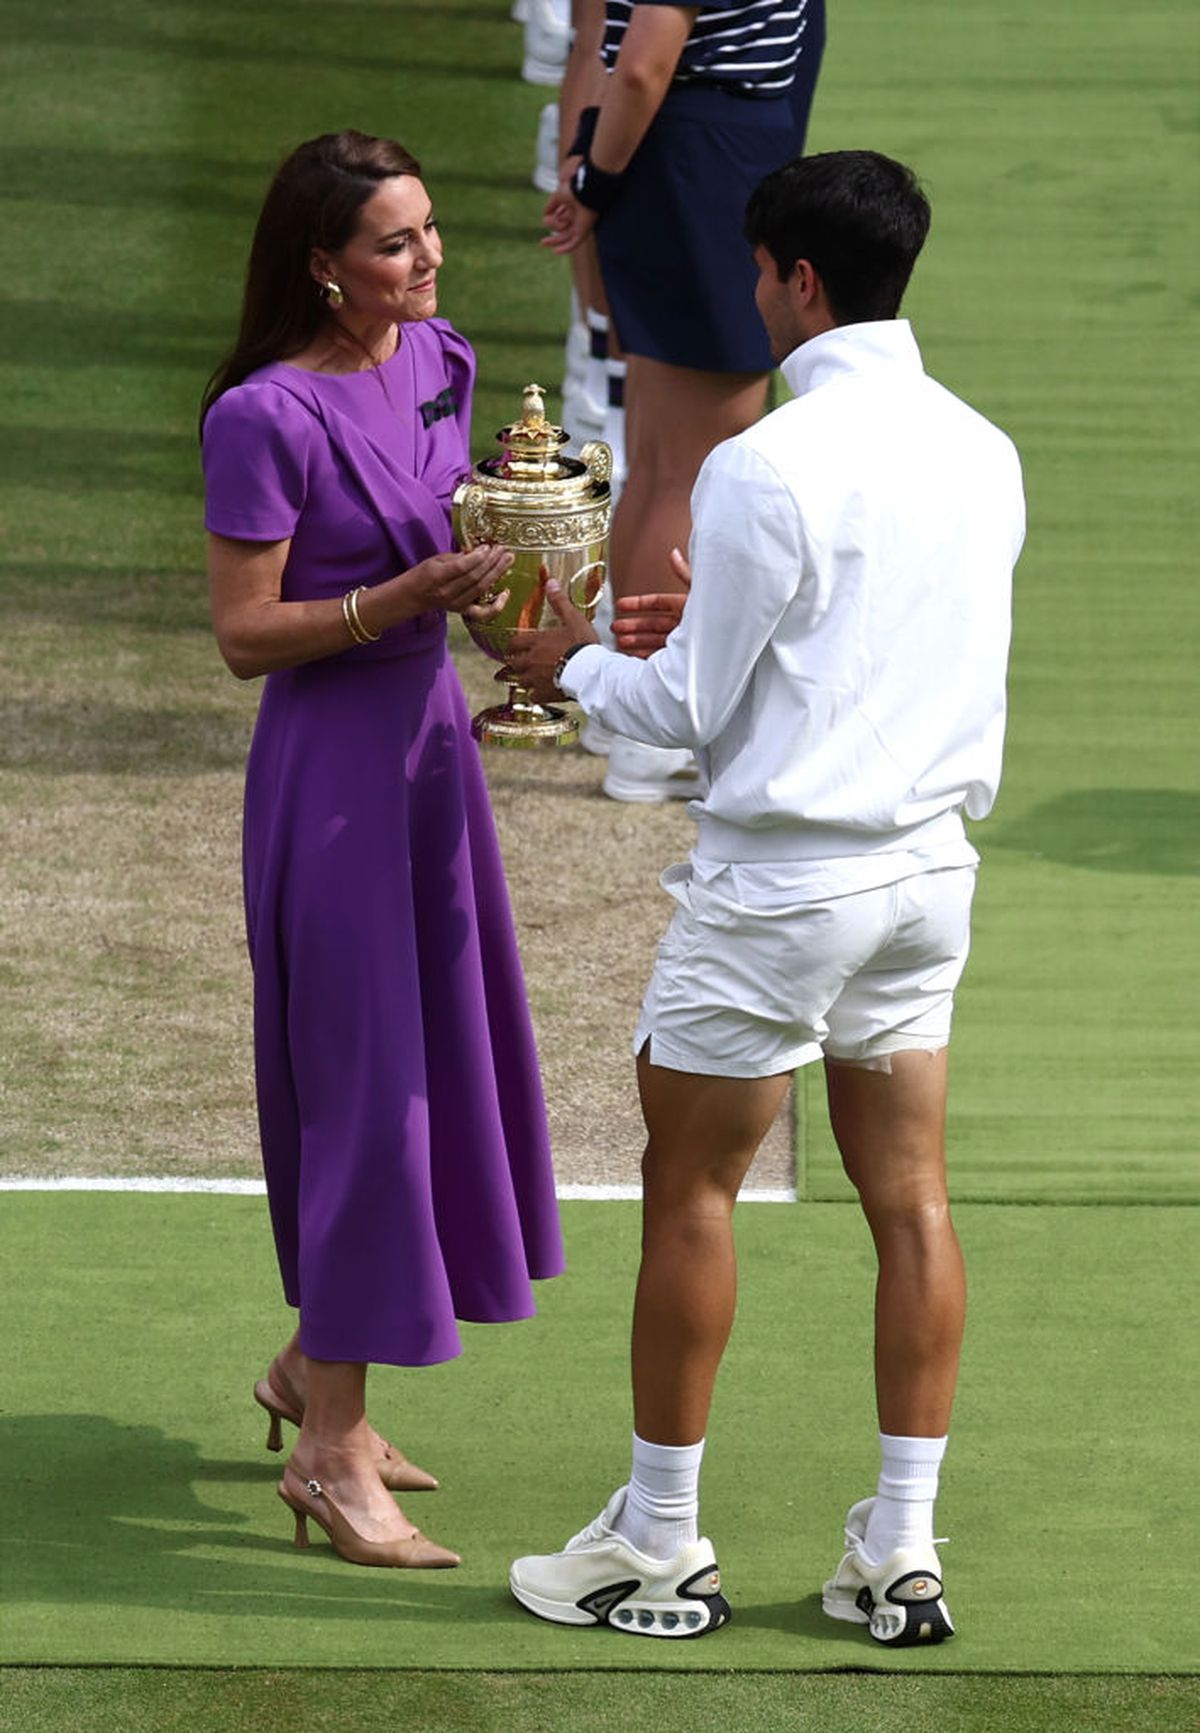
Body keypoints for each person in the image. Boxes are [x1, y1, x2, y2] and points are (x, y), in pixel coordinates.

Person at [505, 150, 1025, 1642]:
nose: (751, 294)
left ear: (798, 279)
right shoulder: (984, 449)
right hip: (926, 885)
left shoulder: (763, 464)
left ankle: (659, 1543)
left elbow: (683, 713)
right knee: (913, 1202)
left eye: (755, 271)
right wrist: (702, 640)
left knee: (692, 1189)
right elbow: (858, 640)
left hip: (783, 893)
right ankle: (902, 1551)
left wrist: (569, 663)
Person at [200, 129, 564, 1571]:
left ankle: (313, 1368)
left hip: (431, 763)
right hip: (331, 781)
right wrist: (399, 599)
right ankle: (331, 1453)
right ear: (321, 265)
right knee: (367, 1099)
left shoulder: (443, 359)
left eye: (429, 230)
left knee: (429, 1073)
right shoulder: (262, 417)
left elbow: (465, 536)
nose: (427, 260)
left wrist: (519, 621)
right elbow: (244, 635)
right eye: (394, 243)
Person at [544, 0, 824, 801]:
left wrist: (590, 166)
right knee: (689, 463)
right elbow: (638, 63)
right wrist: (592, 183)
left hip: (696, 155)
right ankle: (643, 733)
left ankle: (621, 706)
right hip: (703, 164)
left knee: (661, 458)